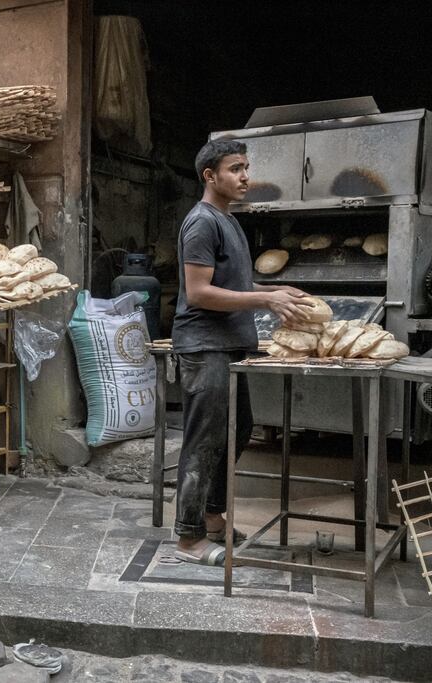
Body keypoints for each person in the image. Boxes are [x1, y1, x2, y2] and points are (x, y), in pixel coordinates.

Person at [171, 139, 311, 566]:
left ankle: (213, 518)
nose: (245, 176)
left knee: (236, 431)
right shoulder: (202, 222)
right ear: (210, 176)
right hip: (205, 345)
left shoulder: (228, 221)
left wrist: (274, 290)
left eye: (247, 167)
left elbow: (232, 285)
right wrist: (266, 303)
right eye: (235, 168)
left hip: (230, 345)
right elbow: (198, 293)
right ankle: (189, 539)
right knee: (204, 442)